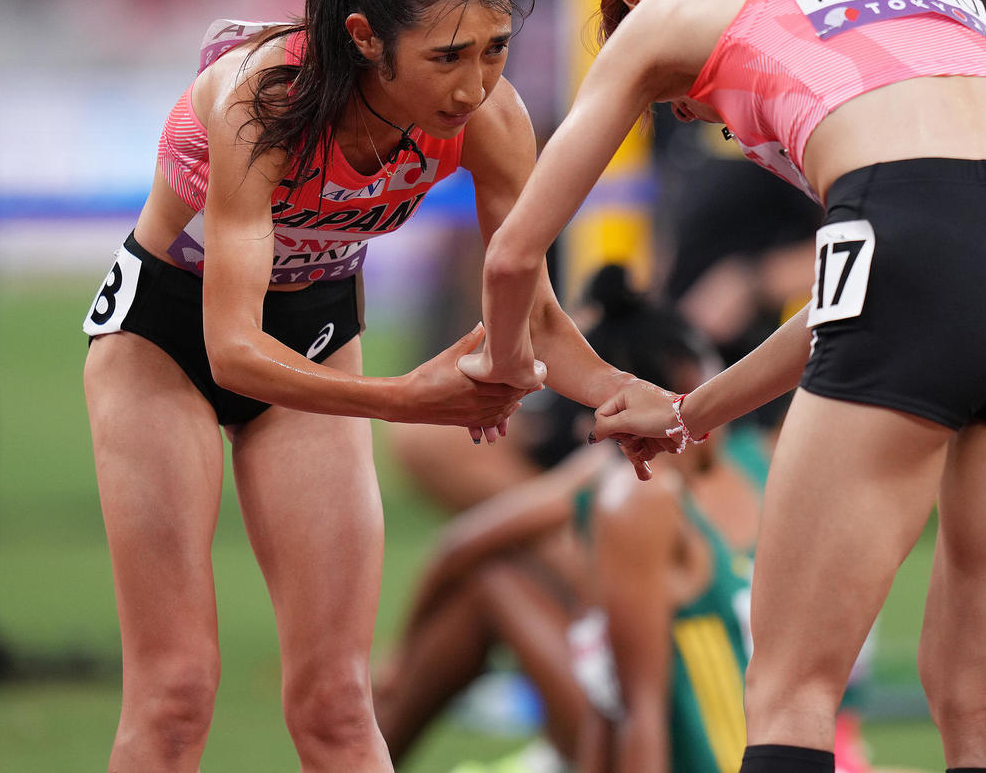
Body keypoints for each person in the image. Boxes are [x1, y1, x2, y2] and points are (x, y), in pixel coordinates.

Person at [461, 0, 986, 773]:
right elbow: (882, 284)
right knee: (981, 697)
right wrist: (690, 412)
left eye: (673, 102)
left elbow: (512, 256)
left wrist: (505, 368)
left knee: (790, 690)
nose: (693, 116)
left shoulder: (682, 0)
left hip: (917, 257)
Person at [80, 0, 640, 773]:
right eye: (448, 57)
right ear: (364, 39)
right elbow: (230, 348)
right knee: (176, 692)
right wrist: (406, 398)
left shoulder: (493, 120)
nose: (475, 86)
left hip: (314, 328)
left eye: (496, 49)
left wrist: (628, 393)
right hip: (168, 339)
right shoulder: (264, 100)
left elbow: (532, 312)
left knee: (338, 701)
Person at [374, 265, 875, 773]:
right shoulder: (768, 455)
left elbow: (637, 709)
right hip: (813, 744)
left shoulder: (634, 493)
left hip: (713, 748)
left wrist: (397, 666)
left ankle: (369, 748)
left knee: (497, 582)